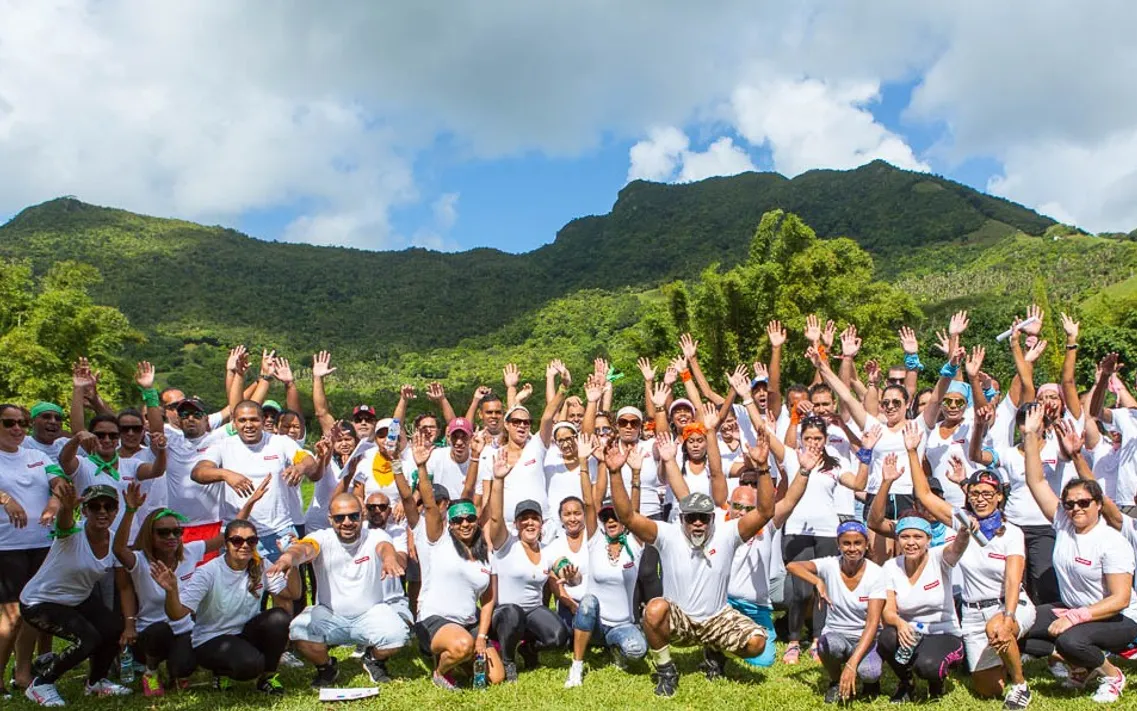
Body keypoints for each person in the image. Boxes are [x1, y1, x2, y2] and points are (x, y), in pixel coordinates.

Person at [612, 431, 774, 696]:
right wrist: (615, 473)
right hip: (680, 620)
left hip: (717, 617)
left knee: (757, 644)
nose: (697, 522)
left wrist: (764, 468)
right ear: (681, 519)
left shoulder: (727, 532)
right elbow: (628, 517)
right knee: (653, 609)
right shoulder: (666, 534)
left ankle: (715, 654)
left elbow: (766, 511)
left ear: (713, 518)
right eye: (691, 517)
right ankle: (666, 671)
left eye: (703, 517)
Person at [904, 420, 1035, 708]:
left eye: (988, 494)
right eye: (975, 494)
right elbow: (925, 495)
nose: (981, 499)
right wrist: (913, 452)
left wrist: (1009, 616)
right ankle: (1006, 656)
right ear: (968, 495)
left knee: (998, 629)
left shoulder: (1012, 532)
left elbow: (1014, 579)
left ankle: (1021, 685)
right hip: (972, 613)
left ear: (1000, 496)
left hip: (1010, 604)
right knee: (987, 689)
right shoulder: (963, 521)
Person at [1019, 406, 1137, 703]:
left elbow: (1120, 599)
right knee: (1020, 625)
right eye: (1070, 504)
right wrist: (1031, 435)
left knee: (1071, 639)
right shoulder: (1064, 523)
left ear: (1099, 504)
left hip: (1118, 617)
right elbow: (1036, 481)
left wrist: (1075, 617)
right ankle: (1080, 665)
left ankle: (1112, 675)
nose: (1076, 509)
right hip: (1076, 609)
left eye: (1084, 503)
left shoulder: (1111, 541)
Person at [114, 480, 265, 696]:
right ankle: (151, 672)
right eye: (163, 533)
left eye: (177, 531)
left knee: (182, 668)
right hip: (151, 633)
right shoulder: (140, 561)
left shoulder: (190, 552)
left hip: (184, 629)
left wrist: (250, 503)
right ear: (151, 535)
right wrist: (130, 511)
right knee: (160, 630)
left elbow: (228, 537)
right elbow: (119, 549)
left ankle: (178, 671)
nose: (172, 537)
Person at [269, 493, 409, 687]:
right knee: (298, 631)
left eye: (353, 516)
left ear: (362, 516)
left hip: (370, 612)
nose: (347, 522)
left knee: (398, 635)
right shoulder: (321, 537)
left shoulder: (376, 535)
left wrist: (389, 559)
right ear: (330, 519)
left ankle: (374, 660)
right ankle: (326, 668)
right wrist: (287, 558)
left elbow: (384, 547)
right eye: (339, 518)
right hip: (329, 614)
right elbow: (304, 549)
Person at [155, 517, 300, 693]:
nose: (245, 545)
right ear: (226, 544)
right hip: (211, 639)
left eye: (251, 541)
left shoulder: (260, 565)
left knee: (279, 618)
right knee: (250, 665)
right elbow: (177, 613)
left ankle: (268, 678)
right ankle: (221, 672)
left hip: (244, 632)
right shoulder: (207, 572)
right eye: (237, 541)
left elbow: (293, 594)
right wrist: (172, 591)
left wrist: (293, 562)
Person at [20, 483, 130, 706]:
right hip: (40, 601)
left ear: (115, 510)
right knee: (87, 639)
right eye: (94, 506)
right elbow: (64, 523)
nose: (102, 512)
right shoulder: (71, 533)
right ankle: (41, 683)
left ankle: (96, 682)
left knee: (112, 628)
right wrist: (67, 508)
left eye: (108, 506)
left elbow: (125, 587)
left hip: (77, 599)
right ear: (85, 510)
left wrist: (130, 623)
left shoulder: (114, 541)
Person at [408, 439, 504, 690]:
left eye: (470, 518)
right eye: (458, 520)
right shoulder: (438, 542)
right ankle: (440, 671)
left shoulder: (486, 554)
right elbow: (430, 505)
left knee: (496, 677)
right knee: (462, 645)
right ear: (450, 524)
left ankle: (462, 654)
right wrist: (421, 468)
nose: (465, 523)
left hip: (468, 621)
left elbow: (489, 601)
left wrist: (482, 636)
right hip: (434, 619)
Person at [192, 399, 317, 570]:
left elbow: (309, 461)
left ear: (263, 420)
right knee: (239, 591)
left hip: (278, 531)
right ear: (234, 423)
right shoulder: (223, 446)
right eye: (242, 420)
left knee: (287, 590)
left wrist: (300, 467)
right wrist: (226, 474)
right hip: (238, 534)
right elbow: (198, 472)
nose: (248, 425)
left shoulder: (279, 442)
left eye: (254, 419)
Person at [564, 433, 647, 688]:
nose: (611, 521)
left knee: (636, 651)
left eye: (616, 517)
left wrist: (634, 476)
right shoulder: (596, 539)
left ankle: (615, 647)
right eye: (606, 517)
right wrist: (583, 463)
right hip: (594, 622)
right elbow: (589, 502)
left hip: (621, 624)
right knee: (588, 602)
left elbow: (632, 512)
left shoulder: (634, 543)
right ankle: (576, 667)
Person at [725, 429, 812, 670]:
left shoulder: (767, 525)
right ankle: (719, 645)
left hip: (758, 607)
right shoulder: (720, 528)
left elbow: (790, 500)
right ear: (729, 507)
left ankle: (736, 639)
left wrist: (803, 471)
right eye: (737, 507)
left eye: (748, 508)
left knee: (764, 660)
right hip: (725, 604)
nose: (742, 512)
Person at [487, 450, 572, 681]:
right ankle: (508, 658)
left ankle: (529, 648)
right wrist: (498, 480)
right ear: (516, 523)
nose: (529, 522)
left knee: (559, 637)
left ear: (542, 523)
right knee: (513, 612)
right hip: (503, 612)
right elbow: (494, 517)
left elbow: (561, 566)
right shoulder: (506, 543)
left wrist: (569, 574)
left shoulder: (546, 549)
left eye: (534, 518)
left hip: (533, 610)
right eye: (524, 518)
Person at [787, 520, 887, 703]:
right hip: (836, 633)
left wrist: (852, 664)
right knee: (827, 645)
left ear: (866, 544)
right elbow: (792, 566)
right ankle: (835, 681)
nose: (852, 548)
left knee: (870, 673)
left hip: (865, 637)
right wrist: (817, 581)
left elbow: (873, 623)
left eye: (858, 543)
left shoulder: (877, 574)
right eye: (846, 543)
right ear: (838, 545)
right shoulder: (830, 564)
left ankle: (869, 683)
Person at [0, 405, 62, 698]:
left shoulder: (37, 456)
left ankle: (22, 673)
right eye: (9, 423)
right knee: (10, 617)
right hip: (7, 546)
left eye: (22, 423)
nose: (17, 428)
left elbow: (59, 483)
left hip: (41, 544)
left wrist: (54, 503)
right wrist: (4, 498)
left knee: (33, 613)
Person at [878, 511, 970, 702]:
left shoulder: (939, 558)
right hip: (911, 633)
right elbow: (888, 611)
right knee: (887, 638)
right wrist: (900, 623)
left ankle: (936, 683)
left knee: (927, 665)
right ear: (897, 539)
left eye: (918, 537)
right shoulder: (890, 567)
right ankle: (906, 683)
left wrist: (965, 531)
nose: (911, 543)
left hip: (944, 632)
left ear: (928, 539)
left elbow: (957, 548)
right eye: (905, 536)